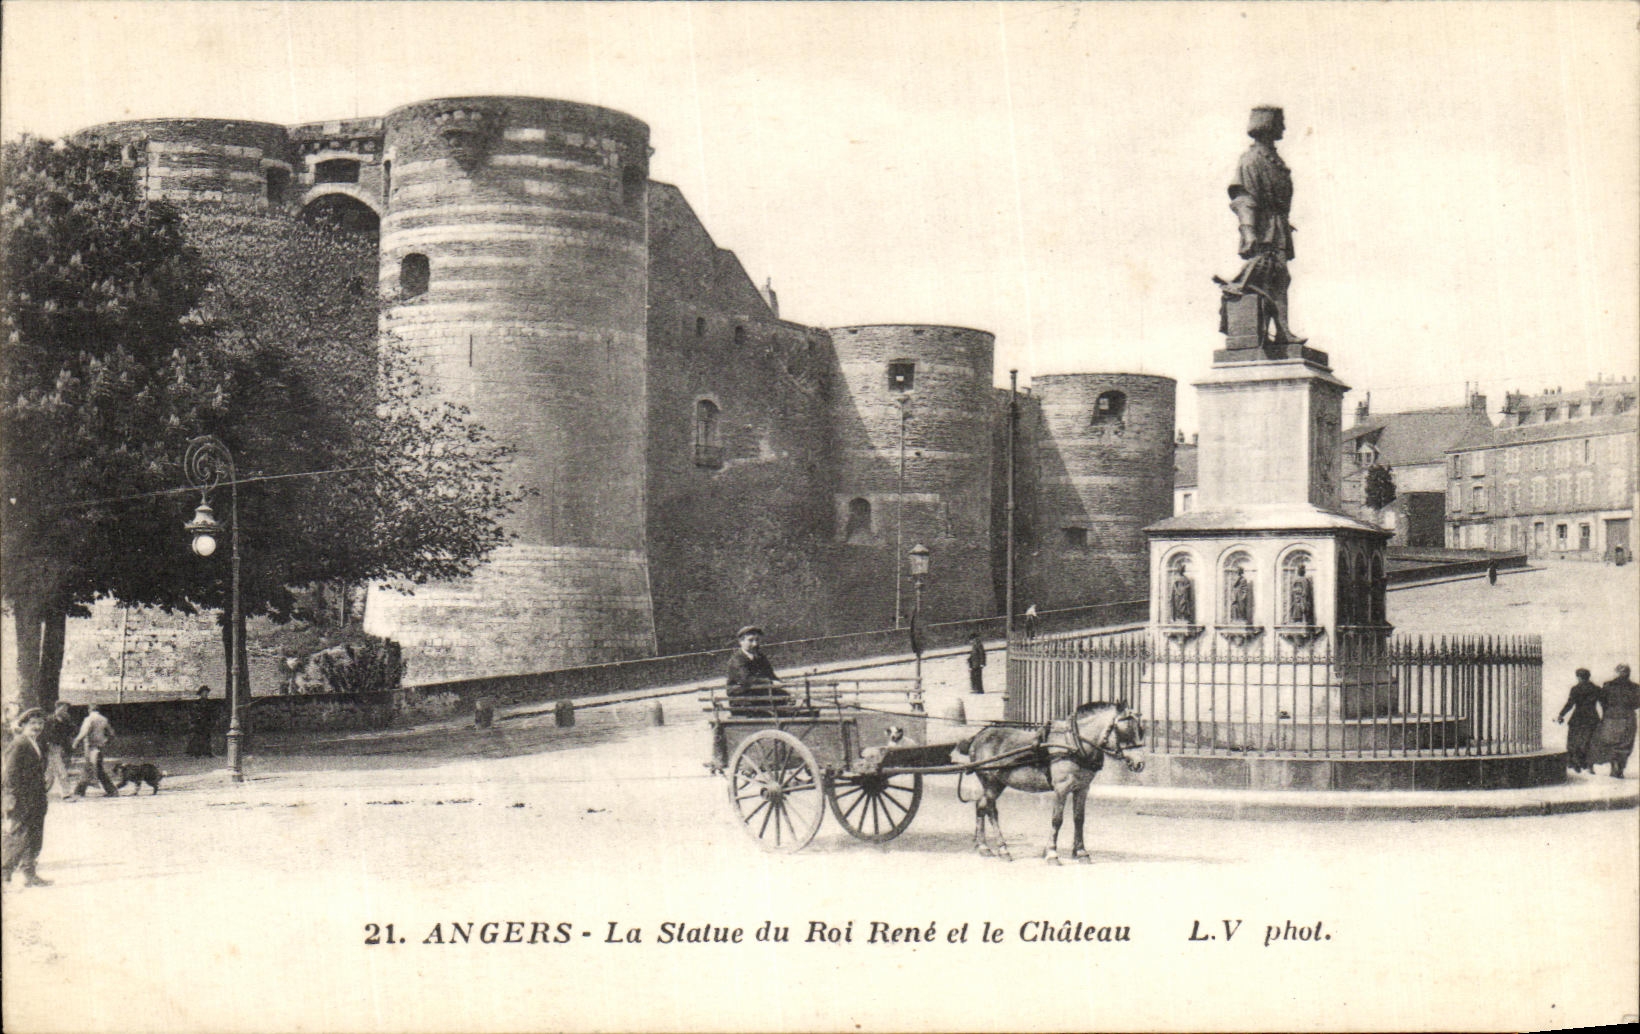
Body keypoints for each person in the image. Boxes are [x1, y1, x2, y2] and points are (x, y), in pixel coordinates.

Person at [1216, 105, 1304, 347]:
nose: (1283, 128)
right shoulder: (1251, 160)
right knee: (1275, 277)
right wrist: (1249, 230)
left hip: (1277, 228)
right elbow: (1243, 199)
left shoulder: (1274, 161)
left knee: (1278, 278)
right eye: (1280, 122)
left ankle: (1279, 330)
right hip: (1264, 230)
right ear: (1267, 125)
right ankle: (1280, 331)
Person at [3, 708, 53, 887]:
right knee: (17, 836)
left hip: (36, 799)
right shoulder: (19, 743)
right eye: (33, 724)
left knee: (34, 837)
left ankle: (29, 874)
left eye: (40, 723)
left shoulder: (36, 743)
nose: (37, 727)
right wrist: (12, 799)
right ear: (23, 725)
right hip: (22, 800)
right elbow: (10, 774)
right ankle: (4, 873)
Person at [725, 626, 791, 717]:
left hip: (759, 696)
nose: (755, 644)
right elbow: (747, 680)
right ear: (741, 642)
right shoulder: (737, 660)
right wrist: (771, 682)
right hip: (743, 701)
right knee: (778, 705)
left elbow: (770, 674)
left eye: (757, 640)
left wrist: (780, 683)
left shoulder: (760, 657)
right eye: (750, 640)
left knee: (786, 698)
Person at [1591, 664, 1638, 779]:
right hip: (1627, 716)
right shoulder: (1636, 687)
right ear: (1629, 673)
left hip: (1610, 716)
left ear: (1616, 672)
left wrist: (1608, 710)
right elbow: (1638, 703)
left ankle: (1614, 764)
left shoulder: (1608, 685)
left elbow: (1602, 700)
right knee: (1625, 744)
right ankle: (1619, 768)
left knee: (1611, 742)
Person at [1555, 668, 1604, 773]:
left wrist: (1561, 715)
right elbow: (1603, 704)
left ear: (1578, 677)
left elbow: (1570, 704)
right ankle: (1588, 765)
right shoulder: (1596, 689)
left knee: (1574, 741)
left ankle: (1575, 763)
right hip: (1592, 718)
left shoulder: (1575, 689)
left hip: (1577, 718)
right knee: (1590, 741)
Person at [71, 702, 118, 797]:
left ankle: (79, 791)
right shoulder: (104, 719)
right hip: (100, 747)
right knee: (96, 768)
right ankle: (111, 790)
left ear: (89, 709)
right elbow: (112, 733)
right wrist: (106, 741)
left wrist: (76, 742)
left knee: (90, 767)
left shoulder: (89, 719)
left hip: (90, 747)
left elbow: (84, 732)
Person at [40, 702, 78, 801]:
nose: (65, 710)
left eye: (66, 709)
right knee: (61, 771)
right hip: (51, 748)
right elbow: (43, 735)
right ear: (57, 708)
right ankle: (66, 794)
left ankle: (39, 793)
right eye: (63, 708)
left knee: (50, 774)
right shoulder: (49, 720)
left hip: (60, 748)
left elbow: (72, 732)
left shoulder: (66, 721)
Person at [186, 685, 218, 758]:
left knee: (207, 737)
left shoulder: (210, 703)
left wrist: (212, 720)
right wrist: (197, 718)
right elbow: (193, 712)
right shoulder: (197, 703)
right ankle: (196, 753)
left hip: (207, 723)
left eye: (207, 692)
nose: (206, 694)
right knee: (198, 738)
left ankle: (208, 752)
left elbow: (212, 712)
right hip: (199, 723)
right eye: (204, 693)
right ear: (201, 694)